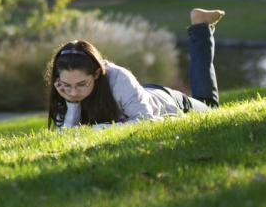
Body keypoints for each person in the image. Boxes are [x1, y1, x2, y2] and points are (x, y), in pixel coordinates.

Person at [46, 8, 224, 129]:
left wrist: (96, 129)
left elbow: (146, 121)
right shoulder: (64, 89)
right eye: (67, 85)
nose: (74, 91)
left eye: (81, 84)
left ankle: (201, 27)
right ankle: (201, 26)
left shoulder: (118, 78)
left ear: (97, 74)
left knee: (210, 108)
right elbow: (68, 134)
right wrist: (72, 103)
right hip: (139, 95)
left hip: (167, 103)